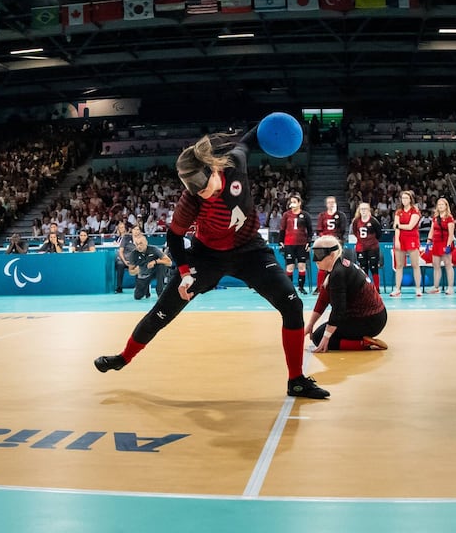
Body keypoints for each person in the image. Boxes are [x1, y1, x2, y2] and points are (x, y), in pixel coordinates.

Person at [94, 123, 330, 399]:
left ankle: (296, 381)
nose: (203, 193)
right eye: (195, 189)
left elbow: (253, 136)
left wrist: (276, 124)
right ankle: (123, 358)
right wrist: (184, 273)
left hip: (250, 250)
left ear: (215, 170)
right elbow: (173, 237)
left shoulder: (236, 161)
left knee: (292, 304)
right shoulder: (191, 200)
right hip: (206, 257)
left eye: (205, 186)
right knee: (163, 311)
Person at [305, 236, 388, 352]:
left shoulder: (338, 273)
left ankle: (363, 344)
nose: (315, 259)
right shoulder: (336, 266)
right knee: (322, 333)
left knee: (319, 337)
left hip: (370, 321)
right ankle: (360, 340)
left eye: (319, 254)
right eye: (314, 252)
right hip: (373, 316)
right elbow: (323, 299)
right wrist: (310, 324)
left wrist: (326, 338)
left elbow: (338, 311)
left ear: (332, 255)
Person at [390, 190, 424, 297]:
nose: (404, 200)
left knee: (415, 265)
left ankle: (418, 289)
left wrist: (398, 225)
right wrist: (397, 240)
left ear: (410, 199)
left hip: (412, 239)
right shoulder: (398, 211)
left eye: (406, 198)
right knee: (399, 265)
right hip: (400, 239)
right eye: (402, 198)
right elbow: (395, 227)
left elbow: (410, 226)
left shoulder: (415, 211)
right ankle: (397, 289)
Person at [314, 195, 348, 293]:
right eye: (329, 202)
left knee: (337, 265)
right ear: (326, 204)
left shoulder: (341, 215)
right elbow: (319, 230)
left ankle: (337, 285)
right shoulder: (322, 216)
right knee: (321, 265)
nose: (331, 204)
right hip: (323, 244)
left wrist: (335, 240)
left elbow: (343, 230)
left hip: (336, 243)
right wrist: (325, 239)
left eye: (333, 202)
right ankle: (320, 287)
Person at [281, 193, 312, 295]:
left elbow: (310, 230)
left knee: (301, 266)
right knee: (289, 267)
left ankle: (301, 287)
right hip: (289, 243)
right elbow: (282, 229)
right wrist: (281, 241)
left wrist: (309, 242)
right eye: (291, 202)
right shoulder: (286, 215)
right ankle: (289, 289)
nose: (292, 204)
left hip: (302, 243)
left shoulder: (305, 215)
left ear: (299, 203)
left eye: (294, 202)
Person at [126, 233, 172, 300]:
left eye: (141, 243)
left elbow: (169, 262)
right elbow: (130, 271)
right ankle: (146, 289)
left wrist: (155, 262)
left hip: (155, 271)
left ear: (146, 243)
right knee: (137, 296)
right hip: (144, 274)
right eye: (137, 244)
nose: (139, 246)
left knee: (162, 266)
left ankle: (160, 291)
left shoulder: (154, 249)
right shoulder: (133, 254)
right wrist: (135, 271)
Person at [351, 202, 384, 291]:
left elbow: (379, 233)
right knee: (363, 267)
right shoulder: (356, 221)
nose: (363, 211)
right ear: (359, 210)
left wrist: (371, 241)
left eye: (365, 209)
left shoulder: (373, 221)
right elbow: (355, 232)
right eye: (362, 209)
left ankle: (377, 288)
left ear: (369, 210)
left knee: (374, 267)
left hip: (373, 247)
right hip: (361, 247)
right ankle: (365, 288)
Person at [428, 197, 456, 294]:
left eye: (442, 204)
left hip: (445, 243)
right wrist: (429, 242)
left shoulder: (449, 218)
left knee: (448, 265)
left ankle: (450, 287)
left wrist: (448, 246)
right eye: (438, 205)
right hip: (436, 243)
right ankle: (436, 287)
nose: (440, 206)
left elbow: (451, 234)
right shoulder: (435, 218)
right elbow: (432, 230)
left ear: (446, 206)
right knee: (436, 265)